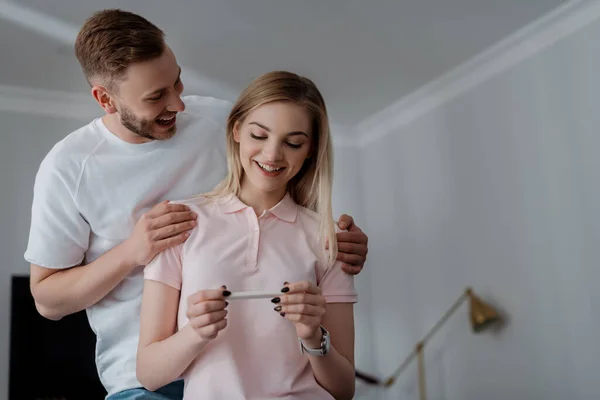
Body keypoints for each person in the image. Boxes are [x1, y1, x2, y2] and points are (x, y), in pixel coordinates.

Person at [24, 9, 369, 400]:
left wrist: (337, 239)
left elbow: (281, 185)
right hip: (144, 376)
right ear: (105, 99)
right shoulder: (68, 167)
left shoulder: (221, 121)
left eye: (177, 82)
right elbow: (48, 301)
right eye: (156, 97)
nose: (179, 105)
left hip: (249, 366)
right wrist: (133, 252)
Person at [137, 70, 356, 400]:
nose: (272, 155)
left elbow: (344, 390)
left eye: (293, 142)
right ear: (237, 130)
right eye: (259, 135)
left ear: (310, 149)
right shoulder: (181, 222)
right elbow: (149, 375)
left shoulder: (327, 238)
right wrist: (195, 333)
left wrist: (313, 336)